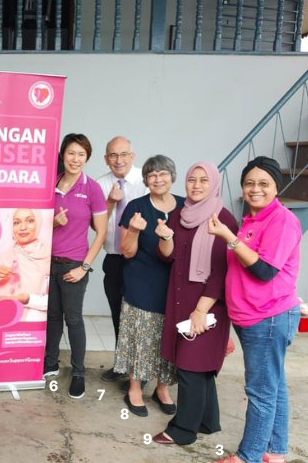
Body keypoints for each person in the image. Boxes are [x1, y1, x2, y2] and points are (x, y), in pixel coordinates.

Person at [209, 157, 302, 463]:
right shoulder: (252, 220)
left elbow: (264, 271)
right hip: (252, 317)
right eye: (249, 183)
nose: (255, 189)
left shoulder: (282, 220)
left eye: (264, 183)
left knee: (261, 391)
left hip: (269, 317)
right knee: (274, 386)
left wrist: (229, 237)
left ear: (277, 188)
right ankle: (275, 452)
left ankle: (248, 456)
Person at [151, 161, 237, 443]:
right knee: (199, 365)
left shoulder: (224, 219)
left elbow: (221, 272)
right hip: (180, 299)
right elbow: (168, 256)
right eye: (192, 179)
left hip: (208, 305)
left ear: (214, 184)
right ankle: (207, 422)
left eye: (203, 180)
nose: (196, 185)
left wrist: (201, 310)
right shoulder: (180, 215)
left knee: (191, 366)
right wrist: (165, 237)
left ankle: (183, 430)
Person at [113, 155, 183, 417]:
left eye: (163, 173)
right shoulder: (136, 207)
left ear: (172, 176)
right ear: (145, 180)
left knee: (170, 338)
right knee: (140, 337)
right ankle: (134, 388)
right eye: (152, 175)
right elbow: (126, 251)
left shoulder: (185, 207)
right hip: (142, 282)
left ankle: (162, 389)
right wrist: (133, 230)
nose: (158, 179)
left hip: (175, 285)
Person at [43, 133, 107, 399]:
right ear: (62, 155)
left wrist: (84, 267)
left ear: (87, 158)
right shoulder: (50, 184)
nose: (75, 159)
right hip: (48, 263)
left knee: (73, 319)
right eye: (71, 153)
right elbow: (36, 224)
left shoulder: (92, 188)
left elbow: (101, 233)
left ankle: (79, 373)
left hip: (74, 265)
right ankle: (50, 362)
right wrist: (54, 223)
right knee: (52, 317)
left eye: (81, 154)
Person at [96, 136, 148, 382]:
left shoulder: (146, 181)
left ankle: (142, 369)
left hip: (141, 260)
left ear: (132, 156)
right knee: (118, 314)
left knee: (140, 316)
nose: (119, 160)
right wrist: (110, 202)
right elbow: (95, 224)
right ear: (106, 159)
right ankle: (121, 364)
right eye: (113, 155)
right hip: (114, 259)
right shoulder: (101, 184)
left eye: (124, 154)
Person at [0, 208, 51, 322]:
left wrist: (29, 299)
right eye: (17, 222)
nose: (23, 227)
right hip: (2, 320)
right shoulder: (4, 257)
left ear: (38, 223)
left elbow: (54, 300)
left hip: (33, 320)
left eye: (30, 221)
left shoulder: (48, 255)